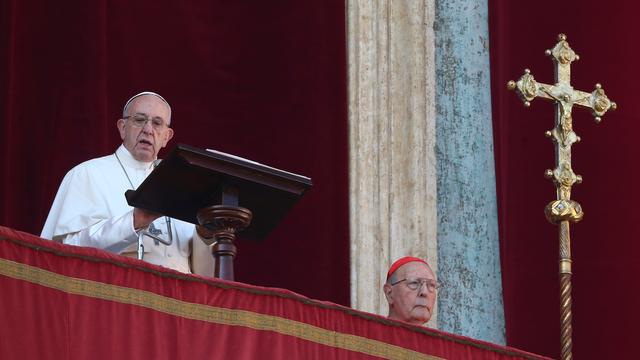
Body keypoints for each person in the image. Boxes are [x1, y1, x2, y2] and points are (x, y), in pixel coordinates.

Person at [41, 91, 214, 275]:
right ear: (122, 127)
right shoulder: (87, 174)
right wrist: (134, 221)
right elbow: (64, 252)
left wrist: (206, 235)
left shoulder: (183, 182)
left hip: (177, 298)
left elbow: (204, 274)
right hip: (114, 295)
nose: (148, 129)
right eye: (140, 120)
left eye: (157, 123)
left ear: (166, 136)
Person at [383, 256, 439, 325]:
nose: (424, 292)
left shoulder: (439, 336)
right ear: (389, 293)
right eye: (414, 283)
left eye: (431, 285)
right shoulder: (369, 335)